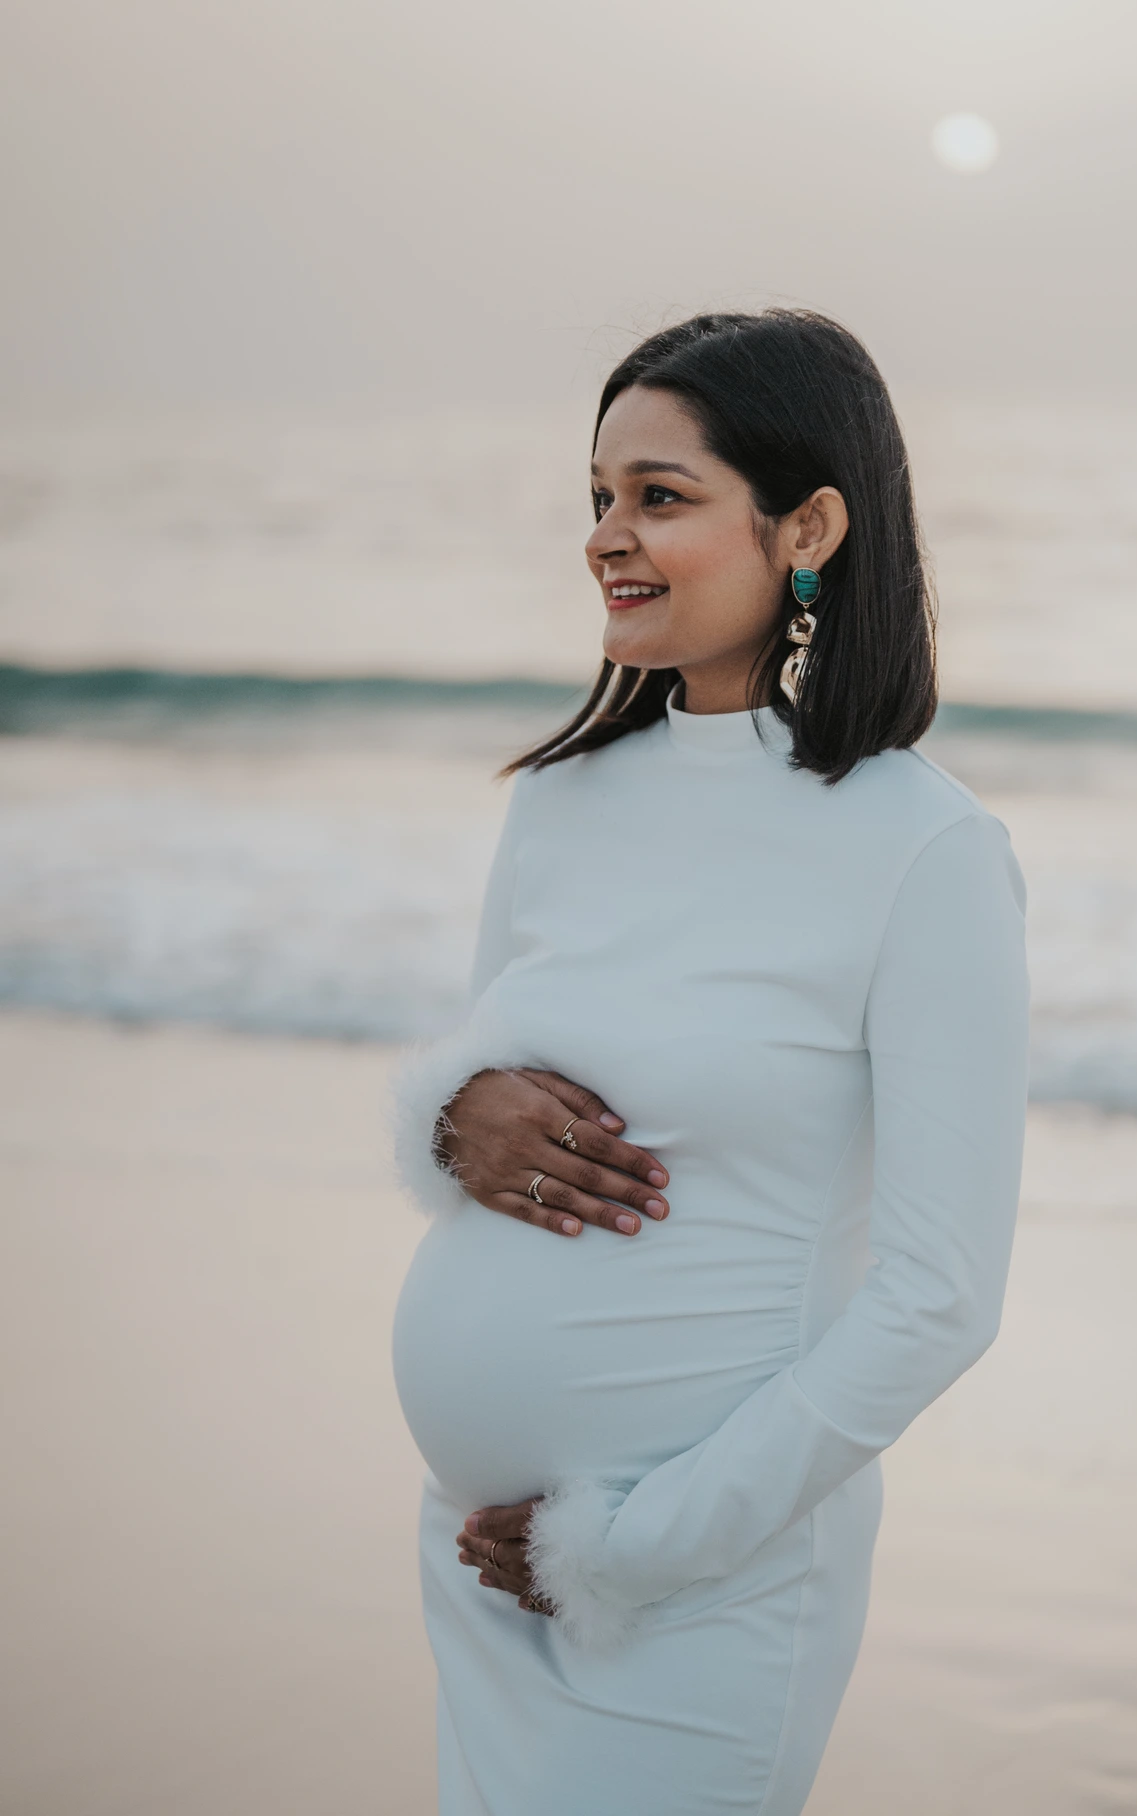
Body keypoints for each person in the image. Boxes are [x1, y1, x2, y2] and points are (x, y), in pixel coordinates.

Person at [391, 309, 1029, 1815]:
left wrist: (630, 1542)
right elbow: (489, 1107)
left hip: (696, 1586)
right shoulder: (561, 802)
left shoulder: (924, 850)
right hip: (477, 1555)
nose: (610, 536)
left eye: (659, 498)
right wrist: (448, 1117)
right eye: (599, 497)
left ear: (808, 525)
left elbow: (942, 1299)